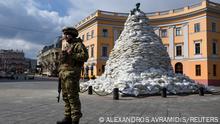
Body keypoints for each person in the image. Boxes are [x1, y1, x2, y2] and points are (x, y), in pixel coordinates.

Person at [57, 27, 88, 124]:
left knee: (73, 97)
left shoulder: (78, 45)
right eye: (64, 35)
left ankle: (75, 120)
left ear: (72, 35)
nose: (65, 37)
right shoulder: (67, 45)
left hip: (71, 76)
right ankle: (68, 118)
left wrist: (72, 54)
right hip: (64, 76)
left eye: (67, 34)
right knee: (66, 97)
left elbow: (85, 57)